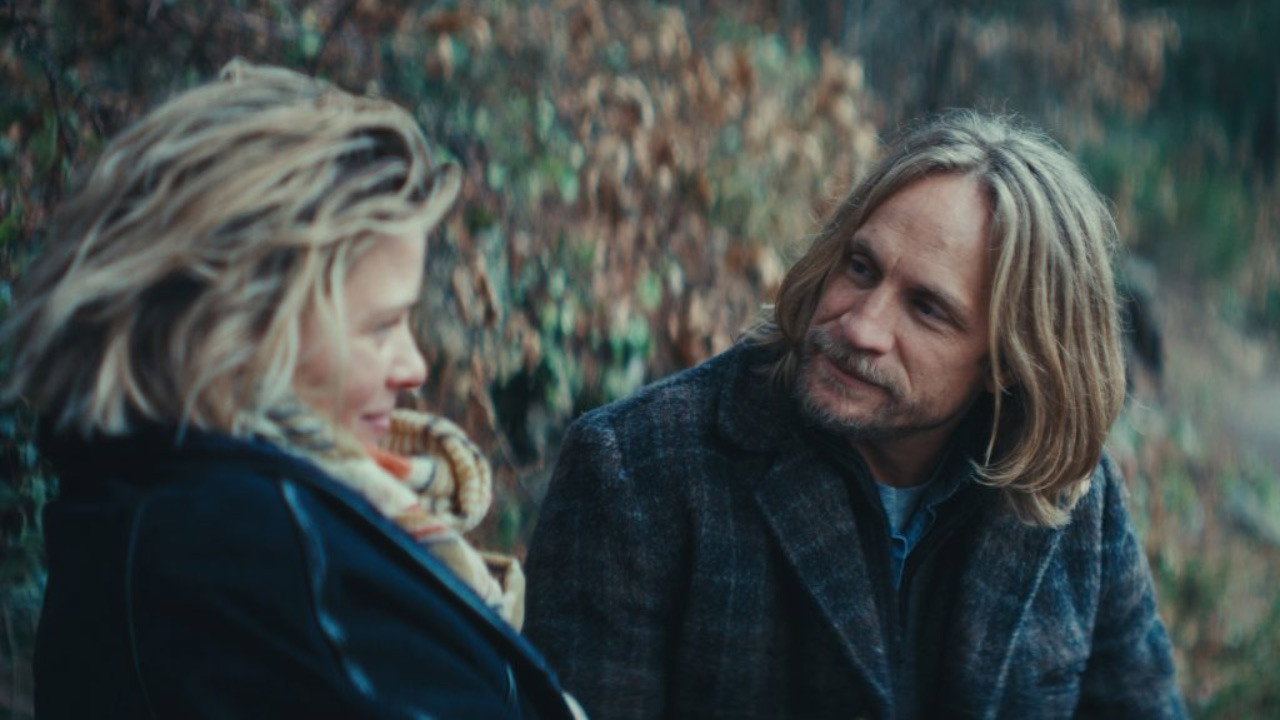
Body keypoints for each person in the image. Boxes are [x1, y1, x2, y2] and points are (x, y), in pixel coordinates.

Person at [524, 111, 1186, 719]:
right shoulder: (635, 472)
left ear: (1008, 362)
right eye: (861, 268)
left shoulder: (1072, 497)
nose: (860, 326)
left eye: (927, 309)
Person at [4, 60, 577, 719]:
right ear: (244, 322)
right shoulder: (269, 554)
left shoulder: (134, 498)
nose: (415, 366)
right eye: (382, 325)